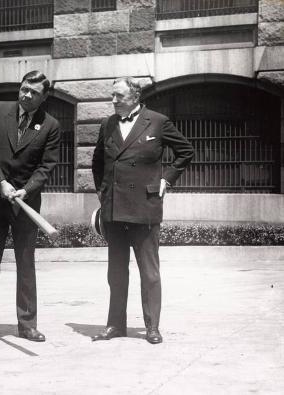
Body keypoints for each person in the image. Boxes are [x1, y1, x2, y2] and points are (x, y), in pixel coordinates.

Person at [91, 77, 194, 344]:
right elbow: (97, 162)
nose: (113, 101)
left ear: (135, 97)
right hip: (114, 209)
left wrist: (167, 179)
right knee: (116, 271)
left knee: (149, 272)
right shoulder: (107, 124)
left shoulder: (158, 121)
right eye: (112, 95)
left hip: (144, 207)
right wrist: (103, 193)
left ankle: (152, 327)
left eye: (119, 96)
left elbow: (185, 151)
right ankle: (115, 325)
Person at [0, 70, 60, 345]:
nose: (26, 95)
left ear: (44, 97)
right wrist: (1, 182)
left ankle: (27, 325)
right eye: (24, 89)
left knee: (26, 264)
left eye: (34, 92)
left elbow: (46, 166)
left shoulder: (50, 125)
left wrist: (27, 188)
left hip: (25, 205)